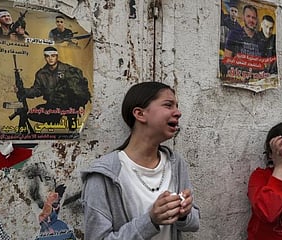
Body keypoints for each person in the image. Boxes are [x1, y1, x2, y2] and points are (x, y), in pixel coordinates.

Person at [81, 82, 200, 239]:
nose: (178, 112)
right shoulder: (104, 174)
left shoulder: (176, 163)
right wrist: (150, 221)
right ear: (140, 114)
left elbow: (194, 223)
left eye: (176, 106)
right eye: (168, 105)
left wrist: (184, 214)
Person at [20, 46, 91, 130]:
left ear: (57, 56)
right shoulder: (41, 74)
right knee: (33, 114)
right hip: (53, 105)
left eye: (53, 56)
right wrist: (22, 90)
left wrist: (81, 104)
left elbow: (78, 89)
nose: (50, 59)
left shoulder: (68, 70)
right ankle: (55, 120)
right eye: (47, 56)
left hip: (70, 106)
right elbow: (36, 90)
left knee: (73, 131)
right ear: (45, 57)